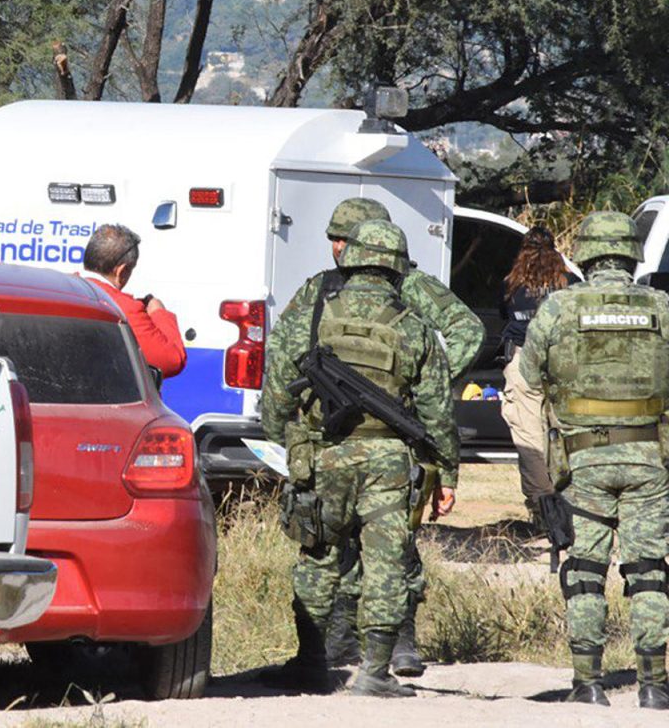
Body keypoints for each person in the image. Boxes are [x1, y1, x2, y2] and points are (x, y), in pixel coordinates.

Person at [280, 197, 483, 675]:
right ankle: (340, 645)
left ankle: (397, 644)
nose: (334, 247)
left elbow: (467, 332)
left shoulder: (407, 286)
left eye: (341, 239)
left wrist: (404, 392)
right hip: (337, 435)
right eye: (333, 238)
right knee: (336, 543)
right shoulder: (319, 290)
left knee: (392, 545)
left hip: (393, 434)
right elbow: (287, 361)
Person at [515, 211, 669, 708]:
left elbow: (529, 377)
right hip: (649, 459)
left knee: (584, 571)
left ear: (583, 254)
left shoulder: (559, 308)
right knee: (649, 570)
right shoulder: (662, 308)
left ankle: (589, 684)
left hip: (581, 462)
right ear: (630, 255)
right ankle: (654, 687)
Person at [498, 227, 578, 512]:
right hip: (564, 363)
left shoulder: (512, 283)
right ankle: (569, 499)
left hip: (523, 360)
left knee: (528, 434)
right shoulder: (570, 282)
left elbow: (503, 313)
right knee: (567, 431)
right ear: (555, 249)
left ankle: (542, 505)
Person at [78, 223, 186, 377]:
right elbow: (172, 361)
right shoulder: (122, 307)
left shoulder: (58, 288)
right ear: (121, 271)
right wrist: (158, 312)